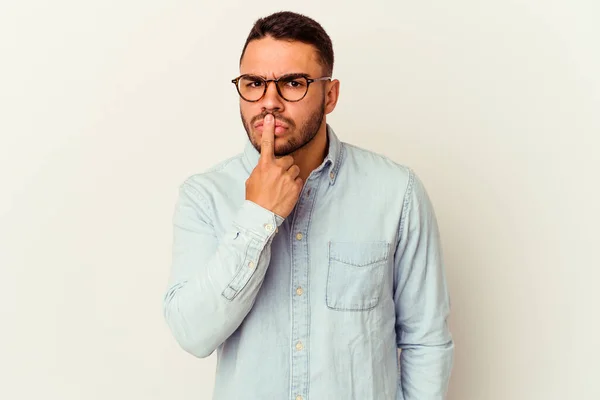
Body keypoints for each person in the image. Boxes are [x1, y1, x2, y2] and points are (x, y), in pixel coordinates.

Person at [163, 11, 454, 400]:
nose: (269, 102)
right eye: (254, 84)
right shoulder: (205, 196)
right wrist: (257, 218)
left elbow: (425, 341)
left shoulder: (396, 192)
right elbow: (193, 333)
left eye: (293, 84)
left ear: (329, 95)